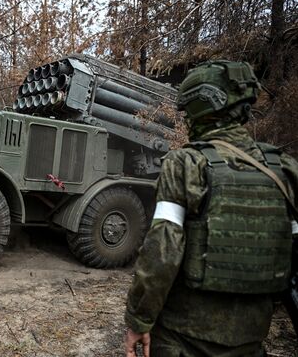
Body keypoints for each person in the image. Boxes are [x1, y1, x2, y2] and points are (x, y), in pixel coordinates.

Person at [124, 60, 298, 356]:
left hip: (183, 337)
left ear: (199, 107)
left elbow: (162, 251)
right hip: (250, 339)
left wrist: (138, 319)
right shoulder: (284, 169)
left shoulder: (186, 164)